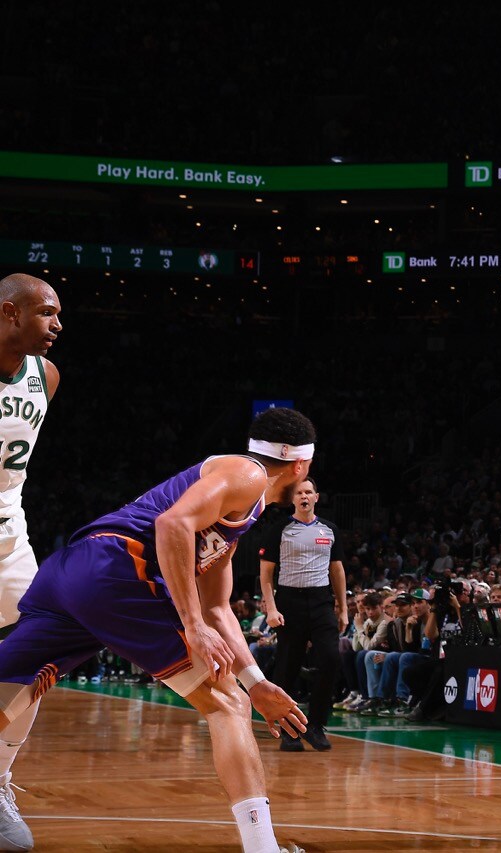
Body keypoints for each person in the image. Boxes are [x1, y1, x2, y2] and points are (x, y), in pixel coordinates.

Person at [0, 407, 314, 853]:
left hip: (75, 574)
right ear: (300, 463)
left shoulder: (241, 510)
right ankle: (262, 848)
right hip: (118, 570)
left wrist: (257, 683)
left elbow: (217, 608)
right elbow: (173, 524)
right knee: (227, 706)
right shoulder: (247, 474)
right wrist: (191, 626)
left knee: (10, 689)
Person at [0, 273, 61, 849]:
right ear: (8, 313)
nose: (57, 326)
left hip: (10, 544)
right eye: (45, 313)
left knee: (37, 657)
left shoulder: (46, 376)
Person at [259, 476, 347, 751]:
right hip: (289, 601)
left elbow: (337, 570)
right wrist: (271, 608)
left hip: (321, 601)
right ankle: (290, 730)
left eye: (309, 491)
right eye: (299, 493)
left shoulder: (330, 530)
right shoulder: (280, 529)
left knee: (331, 659)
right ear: (293, 499)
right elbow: (266, 573)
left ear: (316, 497)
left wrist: (342, 608)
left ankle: (317, 725)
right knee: (288, 667)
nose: (304, 496)